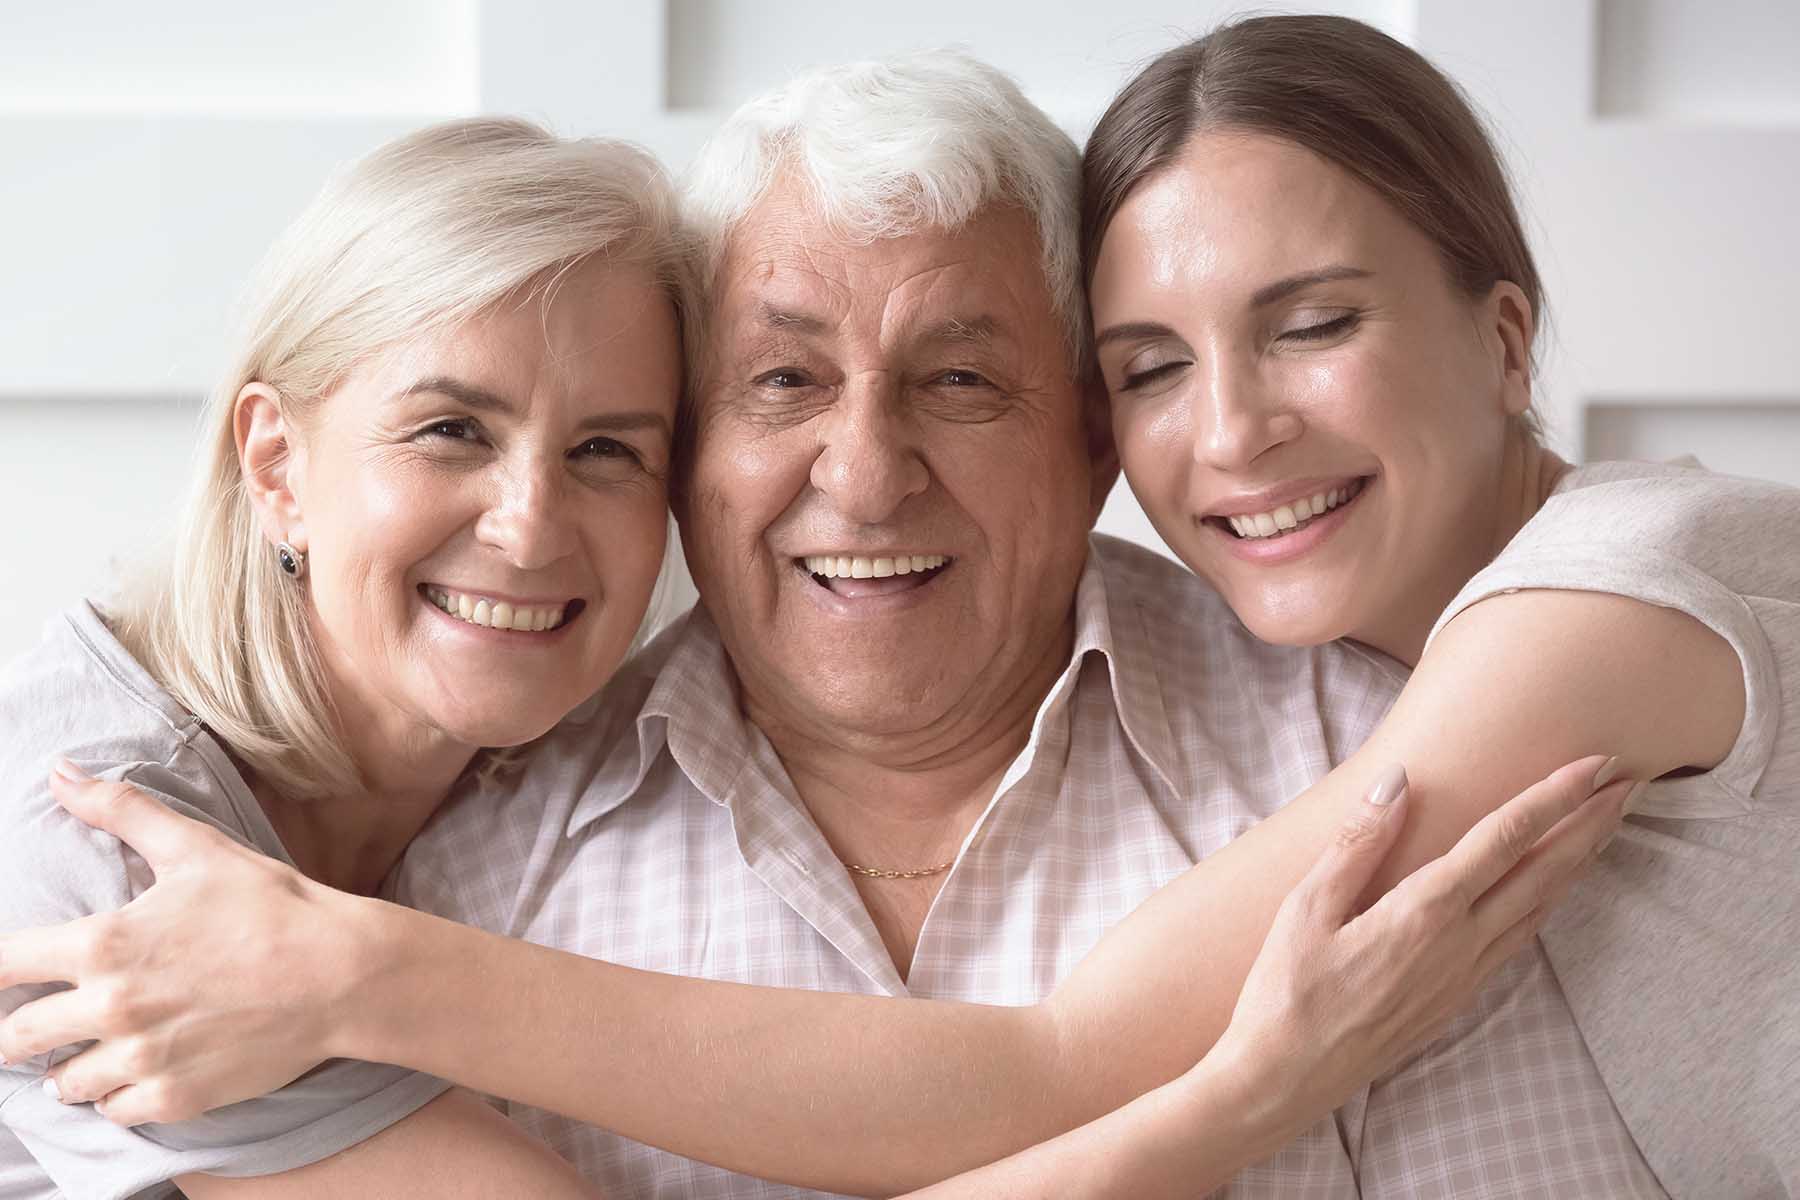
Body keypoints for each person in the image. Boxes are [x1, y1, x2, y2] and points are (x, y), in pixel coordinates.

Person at [3, 50, 1648, 1199]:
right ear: (704, 455)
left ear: (1090, 440)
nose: (862, 474)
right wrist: (1240, 1101)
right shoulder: (420, 884)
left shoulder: (1386, 750)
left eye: (958, 379)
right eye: (782, 381)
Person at [1078, 15, 1799, 1197]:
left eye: (1312, 326)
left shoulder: (1614, 592)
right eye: (1150, 368)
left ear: (1507, 342)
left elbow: (1061, 1060)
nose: (1229, 432)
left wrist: (1249, 1094)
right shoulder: (1375, 659)